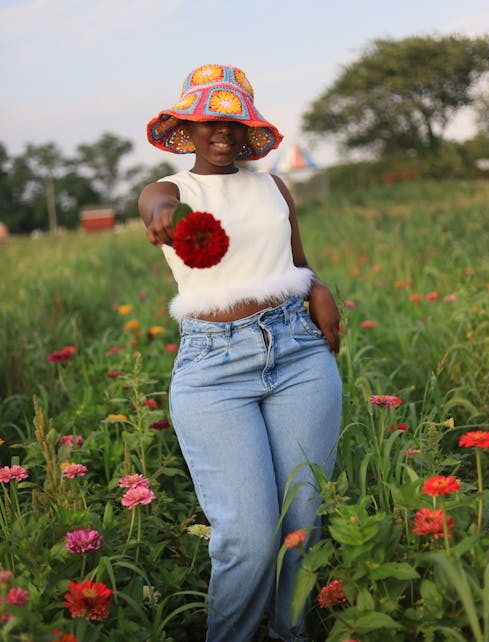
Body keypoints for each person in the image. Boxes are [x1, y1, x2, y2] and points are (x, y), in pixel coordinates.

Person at [138, 64, 342, 642]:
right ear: (188, 127)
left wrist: (319, 287)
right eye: (209, 121)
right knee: (249, 536)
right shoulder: (174, 191)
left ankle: (290, 632)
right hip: (214, 369)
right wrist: (159, 218)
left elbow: (295, 261)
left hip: (300, 354)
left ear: (248, 128)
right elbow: (154, 201)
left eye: (233, 121)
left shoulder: (275, 186)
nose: (222, 132)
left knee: (302, 518)